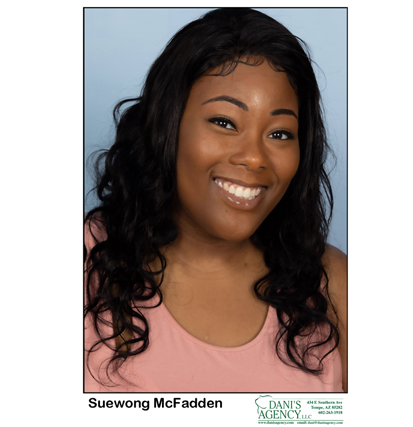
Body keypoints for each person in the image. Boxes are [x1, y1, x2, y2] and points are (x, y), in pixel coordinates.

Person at [84, 7, 347, 392]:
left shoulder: (333, 283)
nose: (254, 158)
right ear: (167, 125)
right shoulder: (83, 262)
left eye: (280, 133)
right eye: (224, 122)